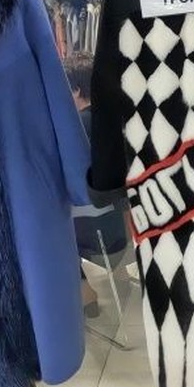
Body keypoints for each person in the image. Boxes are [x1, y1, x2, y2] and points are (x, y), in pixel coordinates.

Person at [64, 52, 128, 317]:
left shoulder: (75, 130)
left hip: (99, 240)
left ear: (76, 90)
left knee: (57, 228)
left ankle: (86, 297)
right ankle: (121, 279)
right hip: (126, 235)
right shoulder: (117, 119)